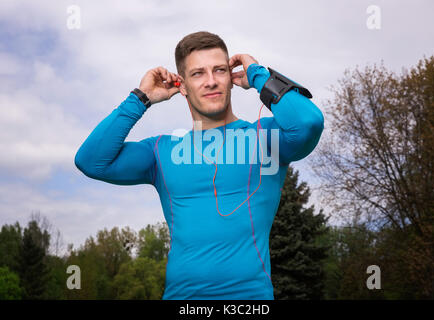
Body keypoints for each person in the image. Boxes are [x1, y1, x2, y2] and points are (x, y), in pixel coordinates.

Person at [74, 31, 324, 300]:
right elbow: (90, 161)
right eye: (198, 74)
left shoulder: (266, 139)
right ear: (182, 85)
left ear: (231, 78)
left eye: (219, 70)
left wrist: (258, 74)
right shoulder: (161, 151)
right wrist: (140, 98)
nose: (211, 81)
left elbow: (308, 122)